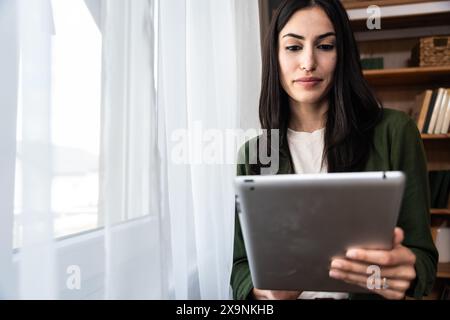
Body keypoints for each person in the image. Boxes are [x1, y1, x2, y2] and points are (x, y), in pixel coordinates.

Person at [231, 0, 438, 300]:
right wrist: (262, 291)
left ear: (343, 55)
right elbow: (239, 263)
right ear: (274, 56)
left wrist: (409, 272)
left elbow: (423, 257)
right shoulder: (254, 155)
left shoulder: (396, 132)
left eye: (325, 46)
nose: (308, 62)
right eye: (293, 47)